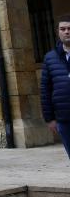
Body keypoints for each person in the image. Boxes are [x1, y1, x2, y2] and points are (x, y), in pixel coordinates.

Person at [41, 15, 70, 161]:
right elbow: (45, 90)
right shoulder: (50, 58)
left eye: (69, 28)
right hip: (64, 117)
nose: (67, 32)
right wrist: (49, 118)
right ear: (58, 32)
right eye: (63, 29)